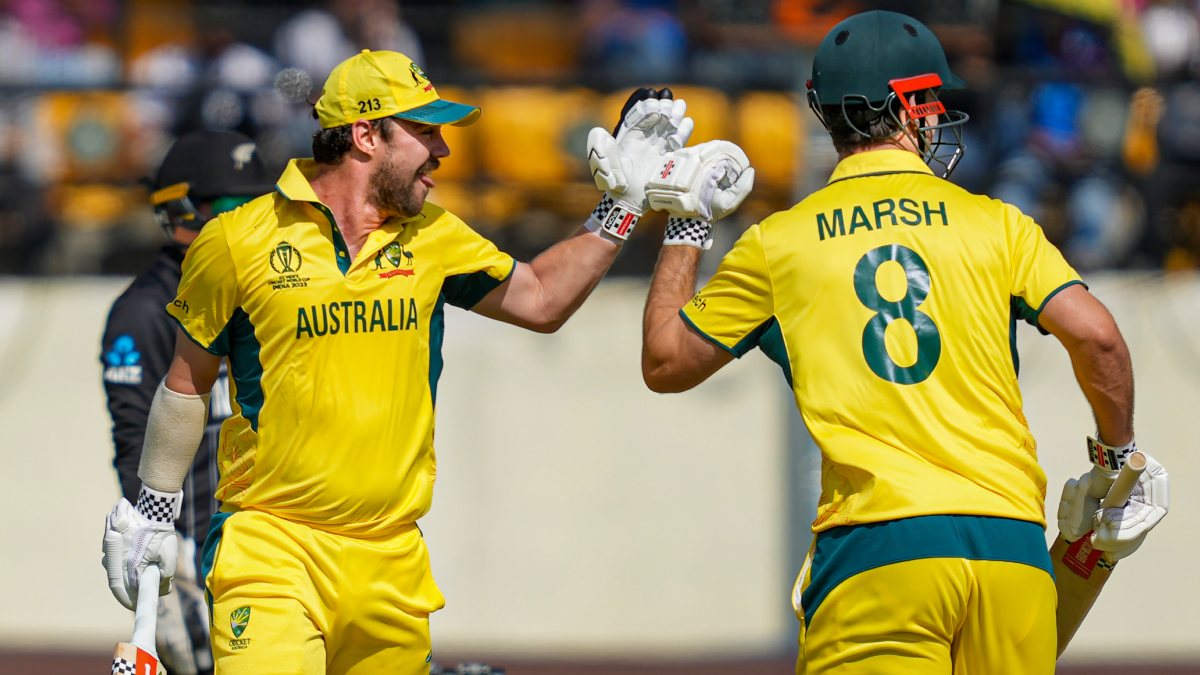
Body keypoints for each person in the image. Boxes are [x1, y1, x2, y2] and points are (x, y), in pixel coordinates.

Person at [102, 49, 693, 673]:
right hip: (270, 547)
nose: (442, 151)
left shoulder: (435, 235)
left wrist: (622, 206)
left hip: (393, 561)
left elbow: (543, 300)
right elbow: (186, 384)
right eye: (425, 132)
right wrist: (154, 514)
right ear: (365, 135)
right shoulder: (235, 239)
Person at [638, 10, 1169, 674]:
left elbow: (665, 361)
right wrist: (1116, 460)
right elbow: (1098, 337)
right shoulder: (997, 224)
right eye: (934, 100)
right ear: (912, 107)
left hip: (879, 550)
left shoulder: (779, 242)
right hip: (1011, 548)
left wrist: (686, 224)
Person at [100, 129, 273, 675]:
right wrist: (161, 558)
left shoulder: (275, 294)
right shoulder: (142, 313)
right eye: (231, 209)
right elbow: (135, 442)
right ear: (180, 216)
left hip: (280, 542)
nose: (251, 224)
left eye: (261, 208)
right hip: (200, 553)